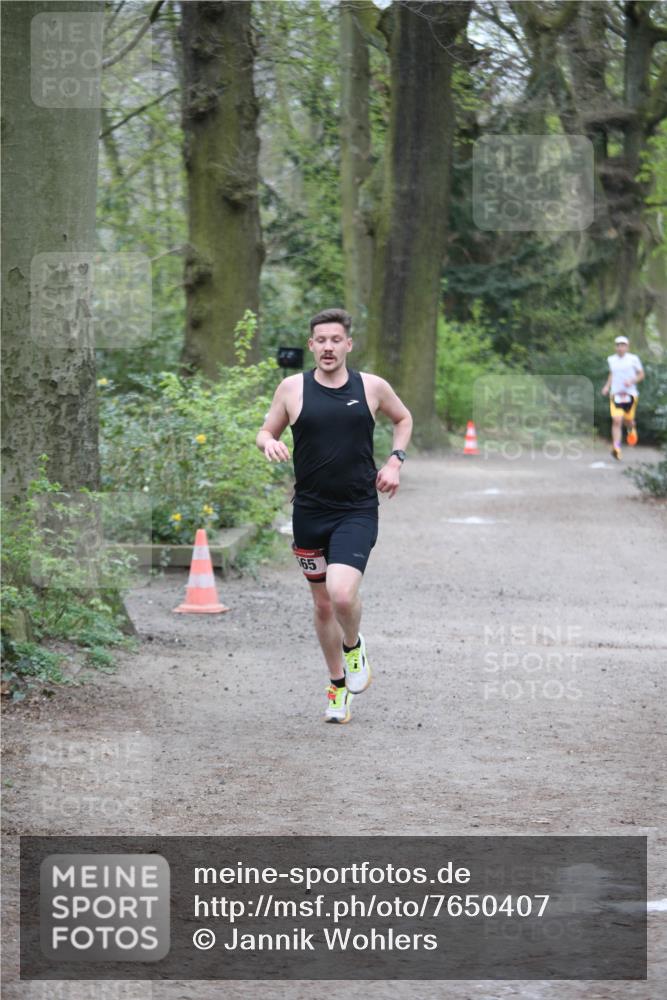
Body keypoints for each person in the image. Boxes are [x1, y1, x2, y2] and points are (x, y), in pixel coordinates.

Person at [256, 308, 413, 724]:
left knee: (341, 594)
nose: (328, 347)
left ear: (348, 344)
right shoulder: (292, 388)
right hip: (309, 512)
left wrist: (395, 461)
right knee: (323, 604)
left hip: (356, 508)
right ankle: (337, 685)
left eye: (335, 340)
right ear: (311, 346)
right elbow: (265, 431)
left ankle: (353, 645)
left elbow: (403, 418)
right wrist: (268, 442)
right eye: (321, 340)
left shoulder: (371, 386)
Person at [601, 335, 645, 461]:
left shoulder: (633, 359)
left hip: (630, 394)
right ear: (615, 347)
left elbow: (641, 375)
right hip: (616, 394)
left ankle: (631, 428)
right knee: (616, 420)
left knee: (628, 420)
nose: (620, 348)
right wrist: (606, 386)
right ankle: (617, 448)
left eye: (623, 345)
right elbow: (612, 374)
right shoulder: (611, 359)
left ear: (627, 347)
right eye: (618, 345)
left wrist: (631, 381)